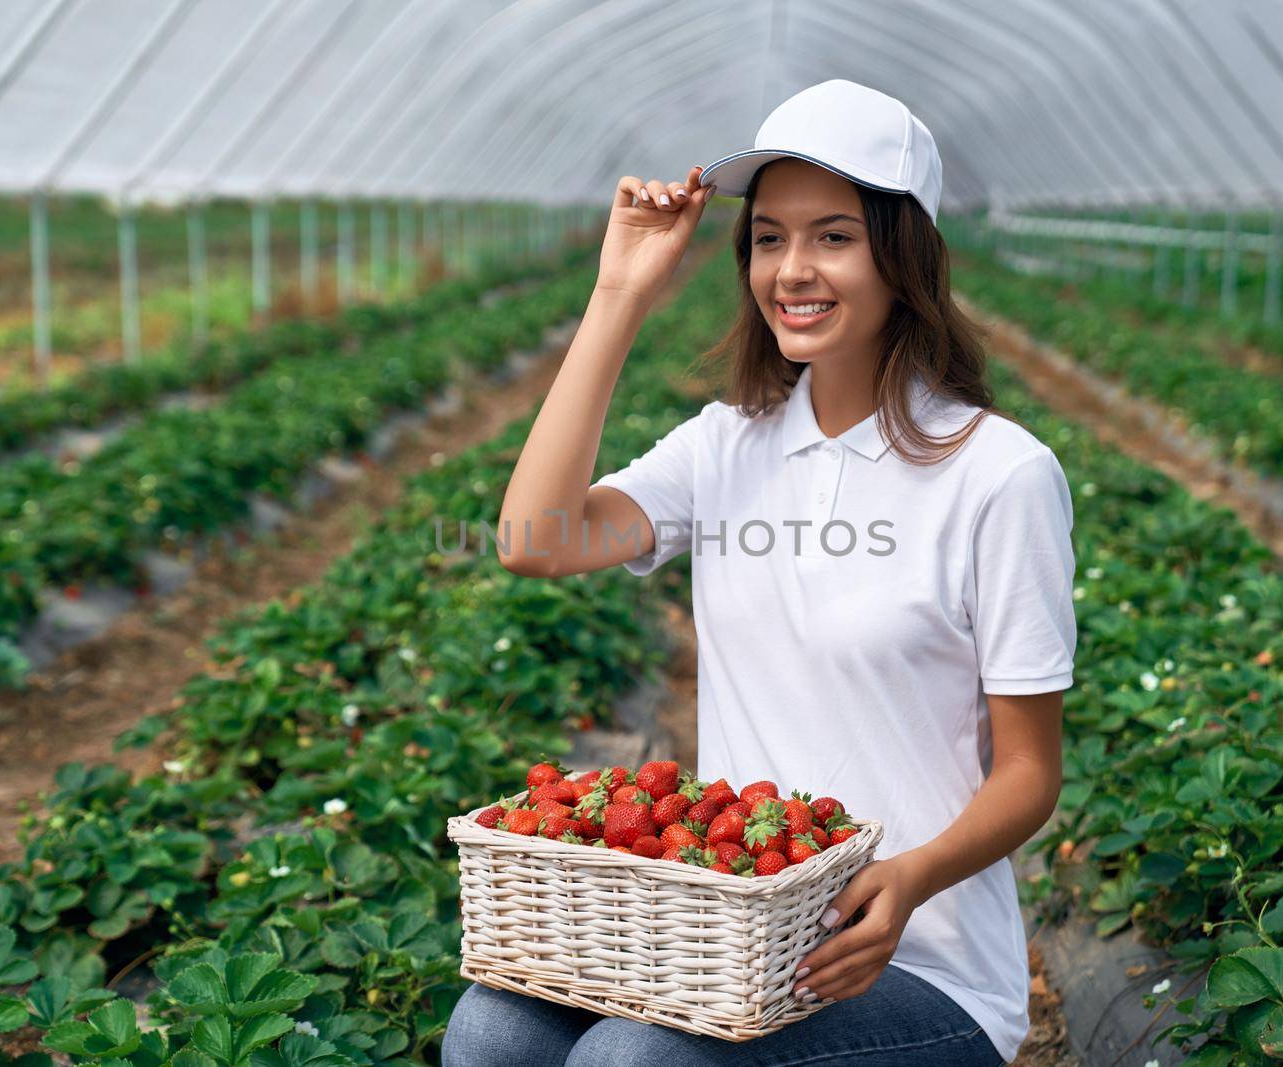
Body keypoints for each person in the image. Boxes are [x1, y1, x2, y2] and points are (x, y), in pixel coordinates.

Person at [445, 79, 1075, 1066]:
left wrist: (907, 876)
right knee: (490, 1029)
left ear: (902, 252)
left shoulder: (997, 473)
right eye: (768, 237)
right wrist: (618, 297)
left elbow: (1031, 770)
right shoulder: (726, 445)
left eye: (831, 235)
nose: (791, 269)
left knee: (632, 1061)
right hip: (726, 932)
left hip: (915, 961)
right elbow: (534, 537)